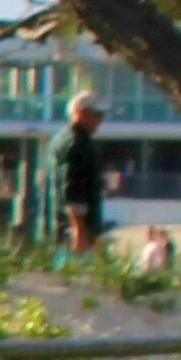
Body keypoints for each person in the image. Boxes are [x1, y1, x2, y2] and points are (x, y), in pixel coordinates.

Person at [54, 93, 109, 255]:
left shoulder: (60, 138)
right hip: (75, 234)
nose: (101, 120)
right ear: (82, 112)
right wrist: (80, 232)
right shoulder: (78, 144)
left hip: (59, 229)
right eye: (98, 114)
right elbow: (72, 190)